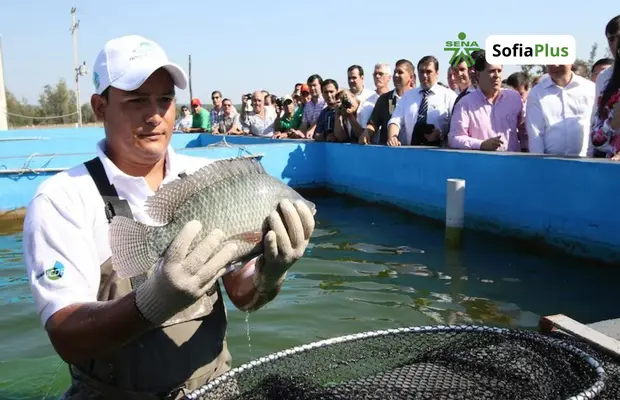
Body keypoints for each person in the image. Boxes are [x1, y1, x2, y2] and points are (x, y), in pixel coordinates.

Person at [22, 35, 315, 399]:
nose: (155, 115)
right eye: (136, 100)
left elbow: (242, 295)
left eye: (164, 100)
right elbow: (67, 336)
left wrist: (271, 274)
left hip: (215, 388)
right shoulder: (62, 198)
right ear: (100, 107)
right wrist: (153, 301)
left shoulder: (206, 175)